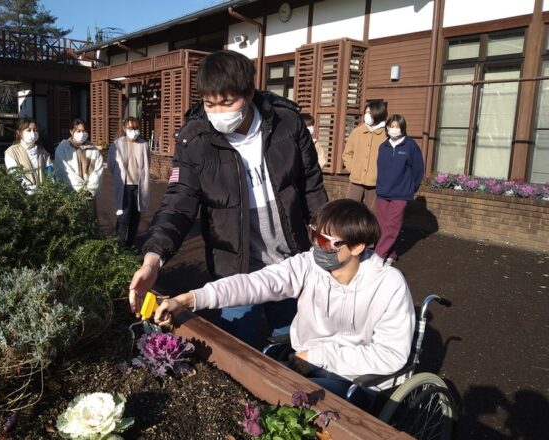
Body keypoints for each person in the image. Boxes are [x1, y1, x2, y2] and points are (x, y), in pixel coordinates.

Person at [129, 50, 328, 346]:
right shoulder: (194, 141)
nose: (219, 112)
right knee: (236, 347)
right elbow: (177, 202)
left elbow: (311, 185)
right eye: (210, 103)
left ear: (249, 93)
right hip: (235, 268)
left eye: (228, 102)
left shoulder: (288, 124)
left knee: (294, 343)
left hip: (291, 263)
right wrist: (153, 259)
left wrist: (329, 239)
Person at [154, 199, 415, 406]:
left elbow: (391, 354)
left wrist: (319, 356)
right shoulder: (308, 265)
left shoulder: (388, 284)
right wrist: (191, 298)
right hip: (303, 363)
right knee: (253, 391)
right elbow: (257, 283)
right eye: (314, 235)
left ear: (357, 246)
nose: (316, 246)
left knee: (298, 405)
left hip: (356, 378)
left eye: (326, 242)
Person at [375, 114, 424, 266]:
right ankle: (391, 252)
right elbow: (380, 168)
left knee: (392, 226)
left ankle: (377, 257)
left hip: (401, 193)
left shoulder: (410, 145)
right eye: (391, 126)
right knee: (382, 226)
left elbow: (418, 170)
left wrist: (410, 187)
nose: (393, 129)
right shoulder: (383, 146)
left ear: (403, 128)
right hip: (383, 192)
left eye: (397, 126)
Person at [107, 117, 151, 249]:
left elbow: (148, 162)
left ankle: (130, 244)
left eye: (136, 128)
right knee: (124, 216)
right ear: (124, 129)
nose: (134, 131)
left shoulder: (144, 144)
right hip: (125, 186)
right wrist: (120, 177)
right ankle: (119, 246)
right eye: (131, 128)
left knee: (135, 217)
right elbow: (111, 164)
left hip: (139, 185)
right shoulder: (117, 144)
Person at [342, 100, 388, 212]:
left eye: (370, 113)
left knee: (372, 214)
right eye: (366, 112)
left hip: (376, 183)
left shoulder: (386, 134)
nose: (366, 115)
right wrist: (353, 169)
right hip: (356, 180)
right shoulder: (357, 132)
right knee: (349, 211)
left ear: (378, 113)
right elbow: (347, 154)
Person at [55, 119, 104, 197]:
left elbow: (98, 171)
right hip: (70, 195)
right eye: (78, 131)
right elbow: (65, 171)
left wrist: (90, 190)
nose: (82, 134)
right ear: (71, 131)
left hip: (89, 195)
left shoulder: (93, 149)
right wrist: (81, 189)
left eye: (84, 131)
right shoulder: (63, 148)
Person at [4, 118, 52, 194]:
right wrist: (33, 190)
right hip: (24, 198)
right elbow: (16, 175)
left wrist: (50, 187)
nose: (33, 133)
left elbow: (49, 171)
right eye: (29, 130)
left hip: (44, 196)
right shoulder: (12, 152)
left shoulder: (43, 151)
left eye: (35, 130)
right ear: (20, 133)